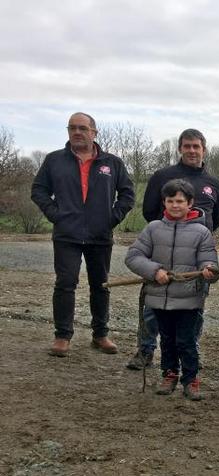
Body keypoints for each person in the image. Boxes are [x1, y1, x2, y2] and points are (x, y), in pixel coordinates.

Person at [31, 112, 135, 357]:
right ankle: (62, 336)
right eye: (72, 128)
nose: (77, 132)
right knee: (65, 284)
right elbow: (38, 190)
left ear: (94, 132)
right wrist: (56, 215)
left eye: (82, 128)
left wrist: (111, 218)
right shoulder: (54, 160)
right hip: (67, 234)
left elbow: (128, 195)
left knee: (100, 285)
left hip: (100, 235)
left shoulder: (113, 163)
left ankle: (100, 335)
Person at [126, 128, 219, 370]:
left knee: (193, 308)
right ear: (180, 148)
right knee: (154, 306)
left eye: (196, 146)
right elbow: (150, 211)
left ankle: (189, 353)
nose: (192, 150)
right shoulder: (162, 176)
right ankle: (145, 350)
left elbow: (218, 217)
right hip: (163, 251)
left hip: (196, 256)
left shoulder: (213, 183)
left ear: (204, 149)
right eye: (187, 146)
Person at [124, 179, 218, 401]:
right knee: (166, 340)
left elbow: (209, 262)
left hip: (189, 300)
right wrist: (154, 271)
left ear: (190, 203)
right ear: (164, 202)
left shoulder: (201, 232)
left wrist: (208, 271)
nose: (175, 205)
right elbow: (133, 257)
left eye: (180, 201)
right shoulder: (153, 229)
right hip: (159, 299)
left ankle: (191, 379)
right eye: (170, 201)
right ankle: (169, 375)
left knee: (186, 341)